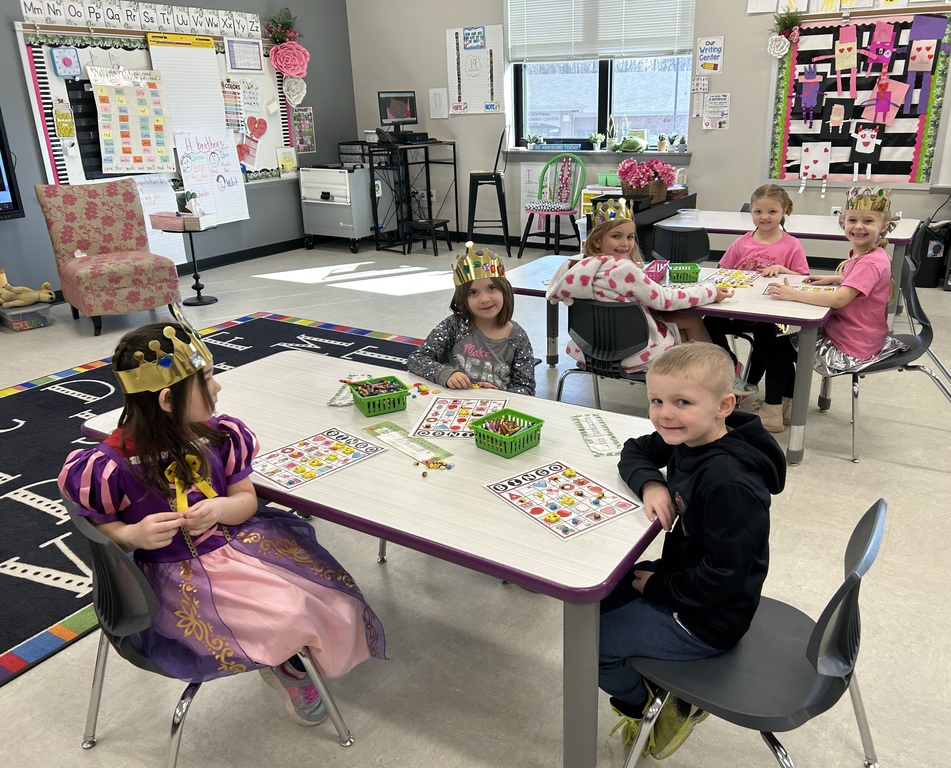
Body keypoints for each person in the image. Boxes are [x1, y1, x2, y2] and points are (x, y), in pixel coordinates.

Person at [58, 312, 386, 727]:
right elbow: (102, 531)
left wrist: (219, 509)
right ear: (167, 400)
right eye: (207, 379)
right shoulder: (109, 466)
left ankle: (288, 659)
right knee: (287, 614)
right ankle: (288, 665)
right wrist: (132, 532)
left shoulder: (221, 436)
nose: (217, 386)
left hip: (237, 545)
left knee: (330, 597)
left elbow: (245, 499)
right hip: (175, 578)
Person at [604, 343, 786, 759]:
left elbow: (724, 577)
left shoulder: (729, 484)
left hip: (708, 618)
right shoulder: (690, 436)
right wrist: (652, 483)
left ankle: (646, 708)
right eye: (656, 400)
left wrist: (657, 588)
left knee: (590, 645)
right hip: (684, 579)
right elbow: (635, 449)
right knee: (598, 597)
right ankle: (656, 683)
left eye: (682, 402)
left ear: (724, 405)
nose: (665, 414)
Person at [546, 200, 749, 394]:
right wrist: (709, 292)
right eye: (616, 236)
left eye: (630, 237)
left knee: (686, 319)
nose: (625, 243)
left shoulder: (573, 265)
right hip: (633, 354)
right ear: (597, 240)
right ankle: (719, 377)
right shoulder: (623, 269)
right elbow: (664, 300)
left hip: (590, 349)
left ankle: (724, 373)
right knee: (693, 322)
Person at [760, 186, 905, 432]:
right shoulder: (873, 255)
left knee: (777, 345)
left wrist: (792, 293)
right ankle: (786, 405)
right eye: (852, 220)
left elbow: (839, 300)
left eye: (868, 221)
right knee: (780, 341)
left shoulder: (869, 262)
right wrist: (834, 278)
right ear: (843, 223)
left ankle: (773, 411)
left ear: (883, 226)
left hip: (850, 346)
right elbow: (855, 281)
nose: (858, 227)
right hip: (863, 336)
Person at [704, 184, 809, 392]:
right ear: (751, 212)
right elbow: (722, 271)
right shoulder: (741, 243)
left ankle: (751, 381)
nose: (765, 217)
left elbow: (803, 280)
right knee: (708, 323)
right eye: (758, 211)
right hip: (737, 308)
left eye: (772, 212)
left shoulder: (792, 245)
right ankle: (729, 362)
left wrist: (782, 269)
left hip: (770, 313)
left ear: (784, 211)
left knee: (766, 334)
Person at [407, 243, 536, 395]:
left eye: (492, 288)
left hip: (497, 411)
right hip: (454, 405)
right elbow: (416, 359)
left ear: (504, 290)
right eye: (473, 292)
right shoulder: (454, 325)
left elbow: (526, 387)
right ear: (463, 299)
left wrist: (501, 394)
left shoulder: (517, 337)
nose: (484, 299)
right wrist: (446, 374)